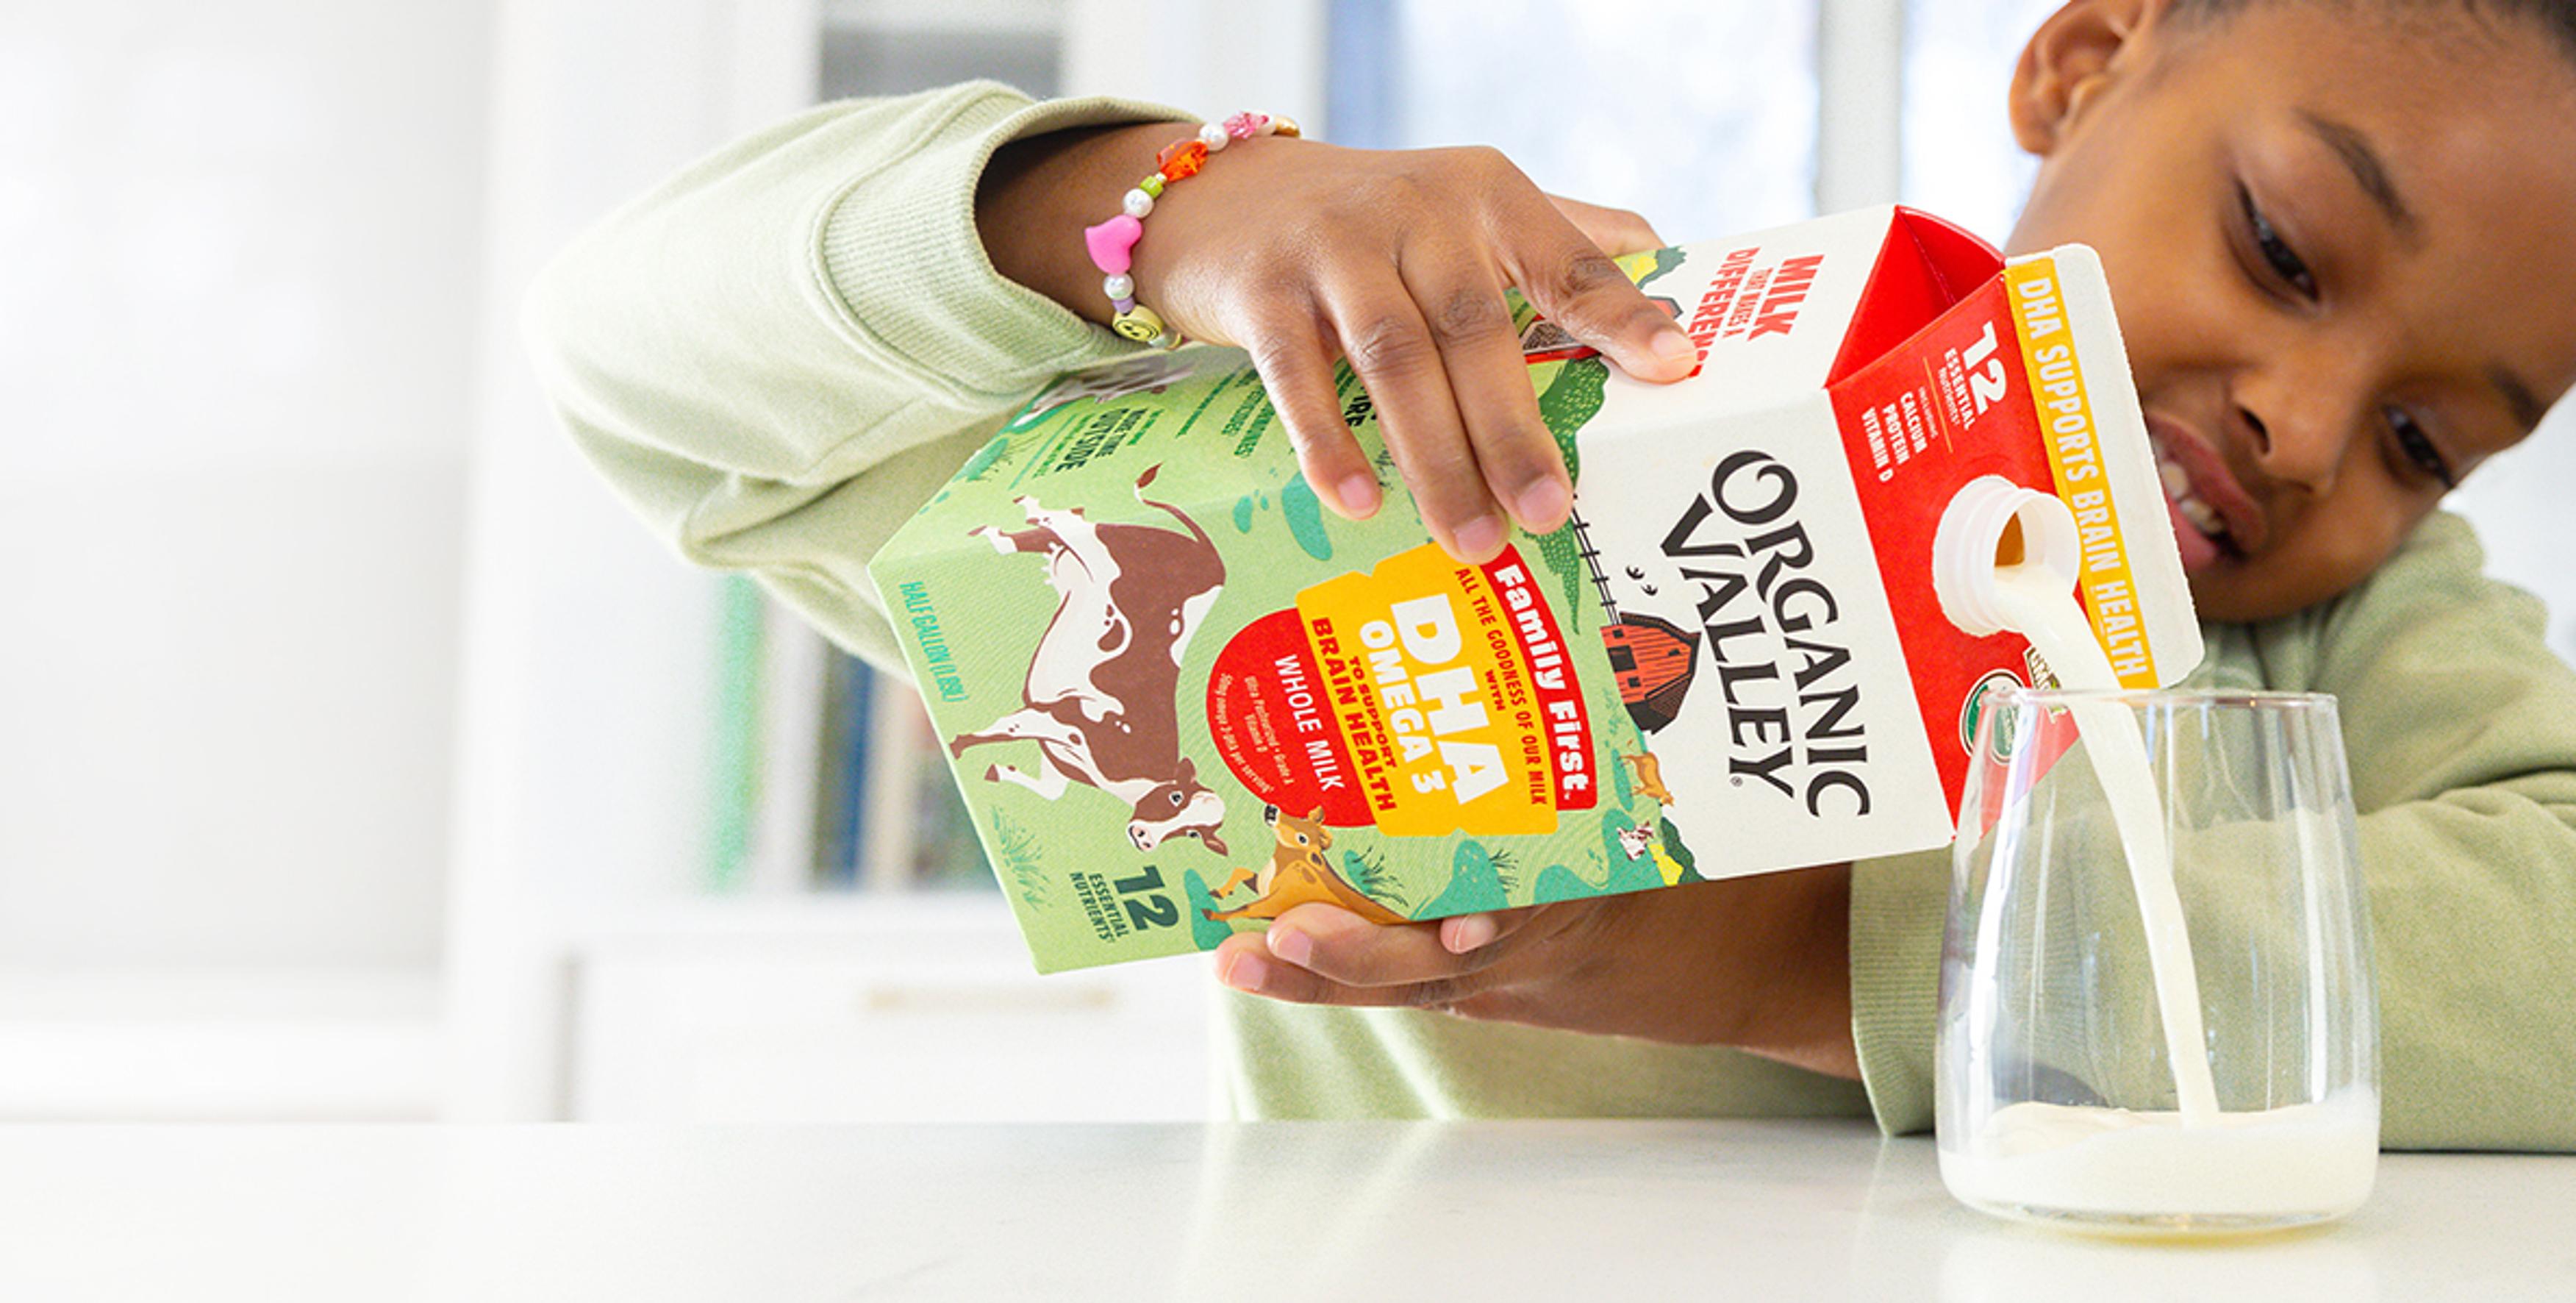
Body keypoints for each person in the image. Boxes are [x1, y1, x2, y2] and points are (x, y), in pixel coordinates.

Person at [522, 0, 2576, 1148]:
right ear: (2081, 62)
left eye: (2427, 438)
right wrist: (1152, 213)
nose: (2309, 425)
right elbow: (633, 365)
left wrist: (1808, 959)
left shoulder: (2325, 639)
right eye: (2288, 251)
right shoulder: (1484, 427)